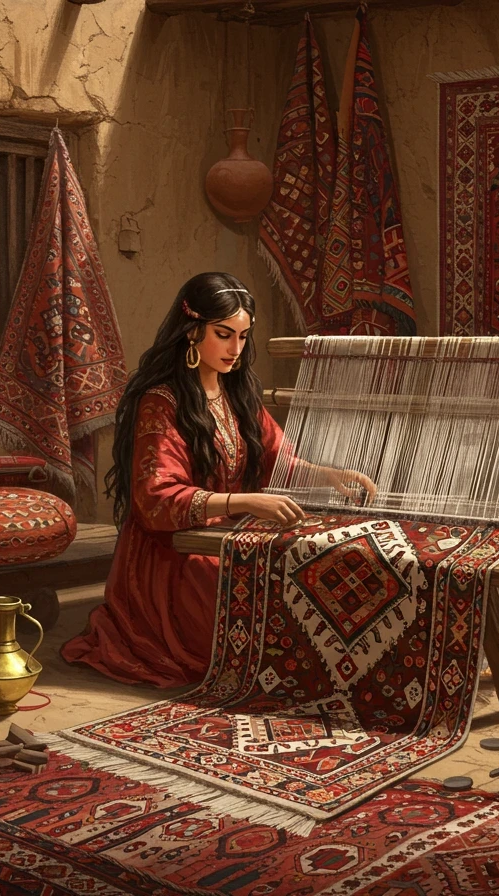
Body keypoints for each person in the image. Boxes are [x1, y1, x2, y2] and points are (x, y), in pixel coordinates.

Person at [60, 272, 377, 687]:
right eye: (223, 334)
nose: (235, 349)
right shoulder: (162, 402)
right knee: (268, 607)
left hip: (230, 537)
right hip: (175, 555)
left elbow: (275, 458)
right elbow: (156, 498)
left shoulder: (235, 392)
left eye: (243, 337)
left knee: (319, 572)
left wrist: (327, 475)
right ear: (192, 332)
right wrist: (244, 503)